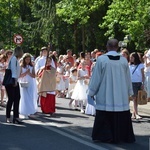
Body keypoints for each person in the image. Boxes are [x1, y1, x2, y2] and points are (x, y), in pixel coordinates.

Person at [88, 39, 135, 143]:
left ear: (107, 46)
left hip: (105, 93)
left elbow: (96, 78)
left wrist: (91, 92)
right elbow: (128, 77)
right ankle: (121, 136)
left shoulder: (101, 60)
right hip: (121, 94)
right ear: (117, 47)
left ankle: (105, 136)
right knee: (120, 113)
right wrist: (130, 92)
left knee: (105, 113)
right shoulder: (123, 60)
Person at [5, 46, 23, 124]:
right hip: (12, 81)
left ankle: (16, 116)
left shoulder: (15, 59)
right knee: (11, 99)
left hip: (15, 80)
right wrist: (15, 80)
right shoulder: (14, 59)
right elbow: (13, 70)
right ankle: (8, 117)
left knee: (17, 98)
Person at [19, 53, 38, 118]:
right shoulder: (21, 66)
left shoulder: (32, 66)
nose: (28, 61)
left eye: (29, 59)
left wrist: (29, 73)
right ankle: (24, 111)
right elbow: (19, 75)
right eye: (26, 59)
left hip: (30, 83)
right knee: (24, 97)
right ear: (24, 60)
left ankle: (30, 111)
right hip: (23, 83)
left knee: (30, 97)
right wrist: (25, 73)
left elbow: (34, 76)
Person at [129, 52, 145, 119]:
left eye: (132, 57)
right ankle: (136, 113)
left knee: (137, 99)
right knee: (134, 98)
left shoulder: (141, 65)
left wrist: (143, 83)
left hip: (139, 82)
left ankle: (134, 113)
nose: (131, 59)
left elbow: (143, 75)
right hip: (132, 83)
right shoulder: (129, 65)